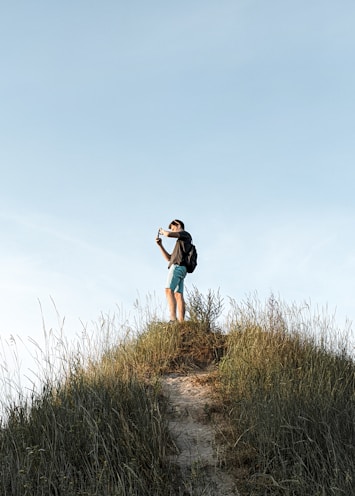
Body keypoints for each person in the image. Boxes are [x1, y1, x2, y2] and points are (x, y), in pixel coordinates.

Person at [156, 219, 192, 322]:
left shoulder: (184, 234)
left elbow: (167, 234)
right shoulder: (182, 243)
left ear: (178, 225)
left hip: (177, 267)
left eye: (173, 228)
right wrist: (160, 245)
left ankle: (172, 318)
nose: (173, 230)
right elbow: (169, 258)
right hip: (181, 268)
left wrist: (162, 231)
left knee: (168, 290)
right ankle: (181, 322)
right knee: (178, 294)